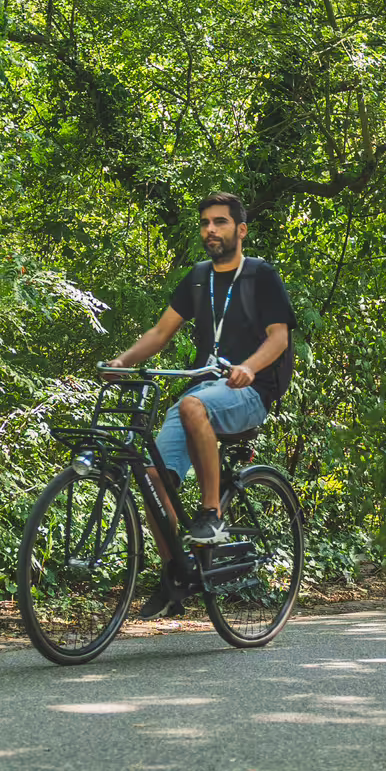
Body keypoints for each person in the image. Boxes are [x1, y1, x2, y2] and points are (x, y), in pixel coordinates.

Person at [106, 192, 297, 617]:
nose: (211, 230)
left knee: (194, 407)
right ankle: (178, 572)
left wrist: (248, 368)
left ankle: (211, 513)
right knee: (153, 476)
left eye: (221, 222)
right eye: (206, 223)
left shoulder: (260, 277)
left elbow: (279, 338)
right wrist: (122, 362)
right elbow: (160, 333)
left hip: (249, 391)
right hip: (202, 389)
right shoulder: (197, 278)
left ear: (240, 230)